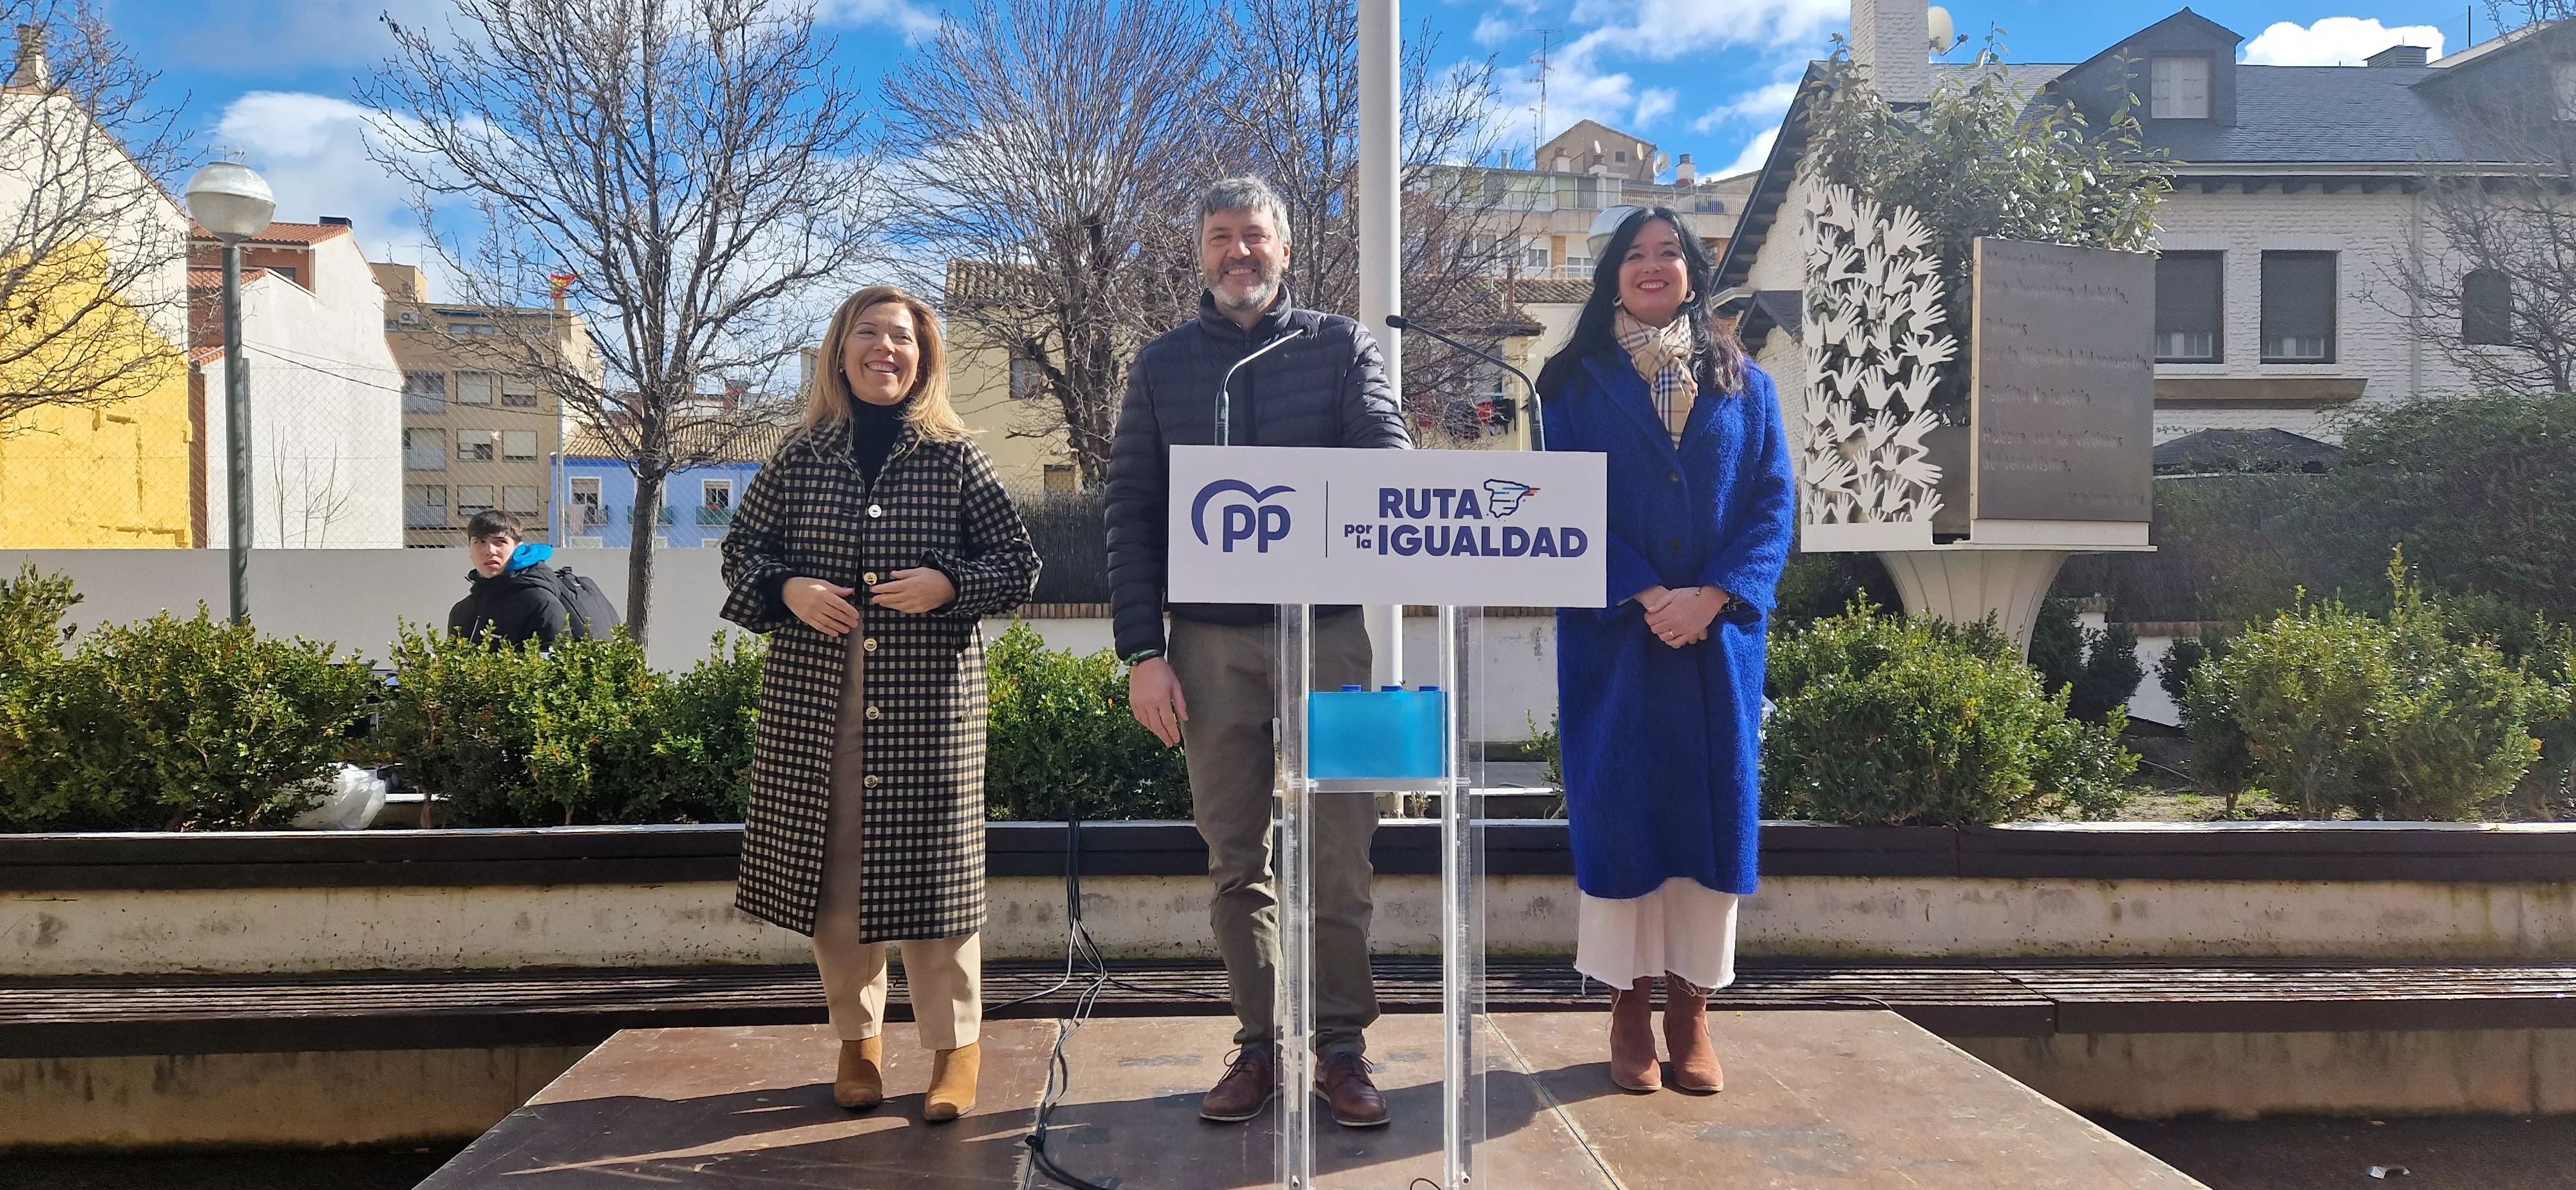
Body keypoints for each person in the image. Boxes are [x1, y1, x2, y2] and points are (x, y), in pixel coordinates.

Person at [1104, 176, 1408, 1128]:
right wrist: (1141, 652)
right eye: (1221, 238)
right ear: (1201, 253)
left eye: (1256, 237)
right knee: (1237, 854)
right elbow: (1131, 513)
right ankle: (1260, 1046)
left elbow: (1383, 443)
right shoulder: (1160, 367)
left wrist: (1386, 470)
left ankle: (1343, 1051)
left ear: (1286, 248)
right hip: (1205, 644)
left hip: (1331, 638)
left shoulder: (1342, 346)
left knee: (1342, 851)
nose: (1240, 253)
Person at [719, 285, 1039, 1122]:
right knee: (836, 882)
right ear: (841, 349)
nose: (885, 350)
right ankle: (856, 1044)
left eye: (902, 338)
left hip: (930, 704)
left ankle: (954, 1052)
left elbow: (1020, 563)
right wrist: (787, 587)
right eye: (869, 334)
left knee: (937, 882)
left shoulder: (956, 458)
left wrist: (949, 584)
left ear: (922, 358)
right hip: (815, 699)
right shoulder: (800, 455)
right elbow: (742, 551)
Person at [1533, 206, 1795, 1095]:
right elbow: (1558, 505)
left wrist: (1714, 597)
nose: (1652, 267)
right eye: (1635, 255)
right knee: (1622, 818)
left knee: (1707, 820)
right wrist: (1647, 593)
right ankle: (1627, 1008)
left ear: (1692, 271)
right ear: (1612, 273)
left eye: (1669, 254)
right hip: (1618, 640)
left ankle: (1692, 1011)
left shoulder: (1745, 381)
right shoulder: (1568, 383)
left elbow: (1771, 505)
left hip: (1713, 645)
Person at [446, 509, 569, 647]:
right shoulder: (461, 611)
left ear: (518, 548)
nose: (490, 551)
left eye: (500, 542)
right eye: (480, 541)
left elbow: (556, 664)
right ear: (470, 550)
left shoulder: (541, 604)